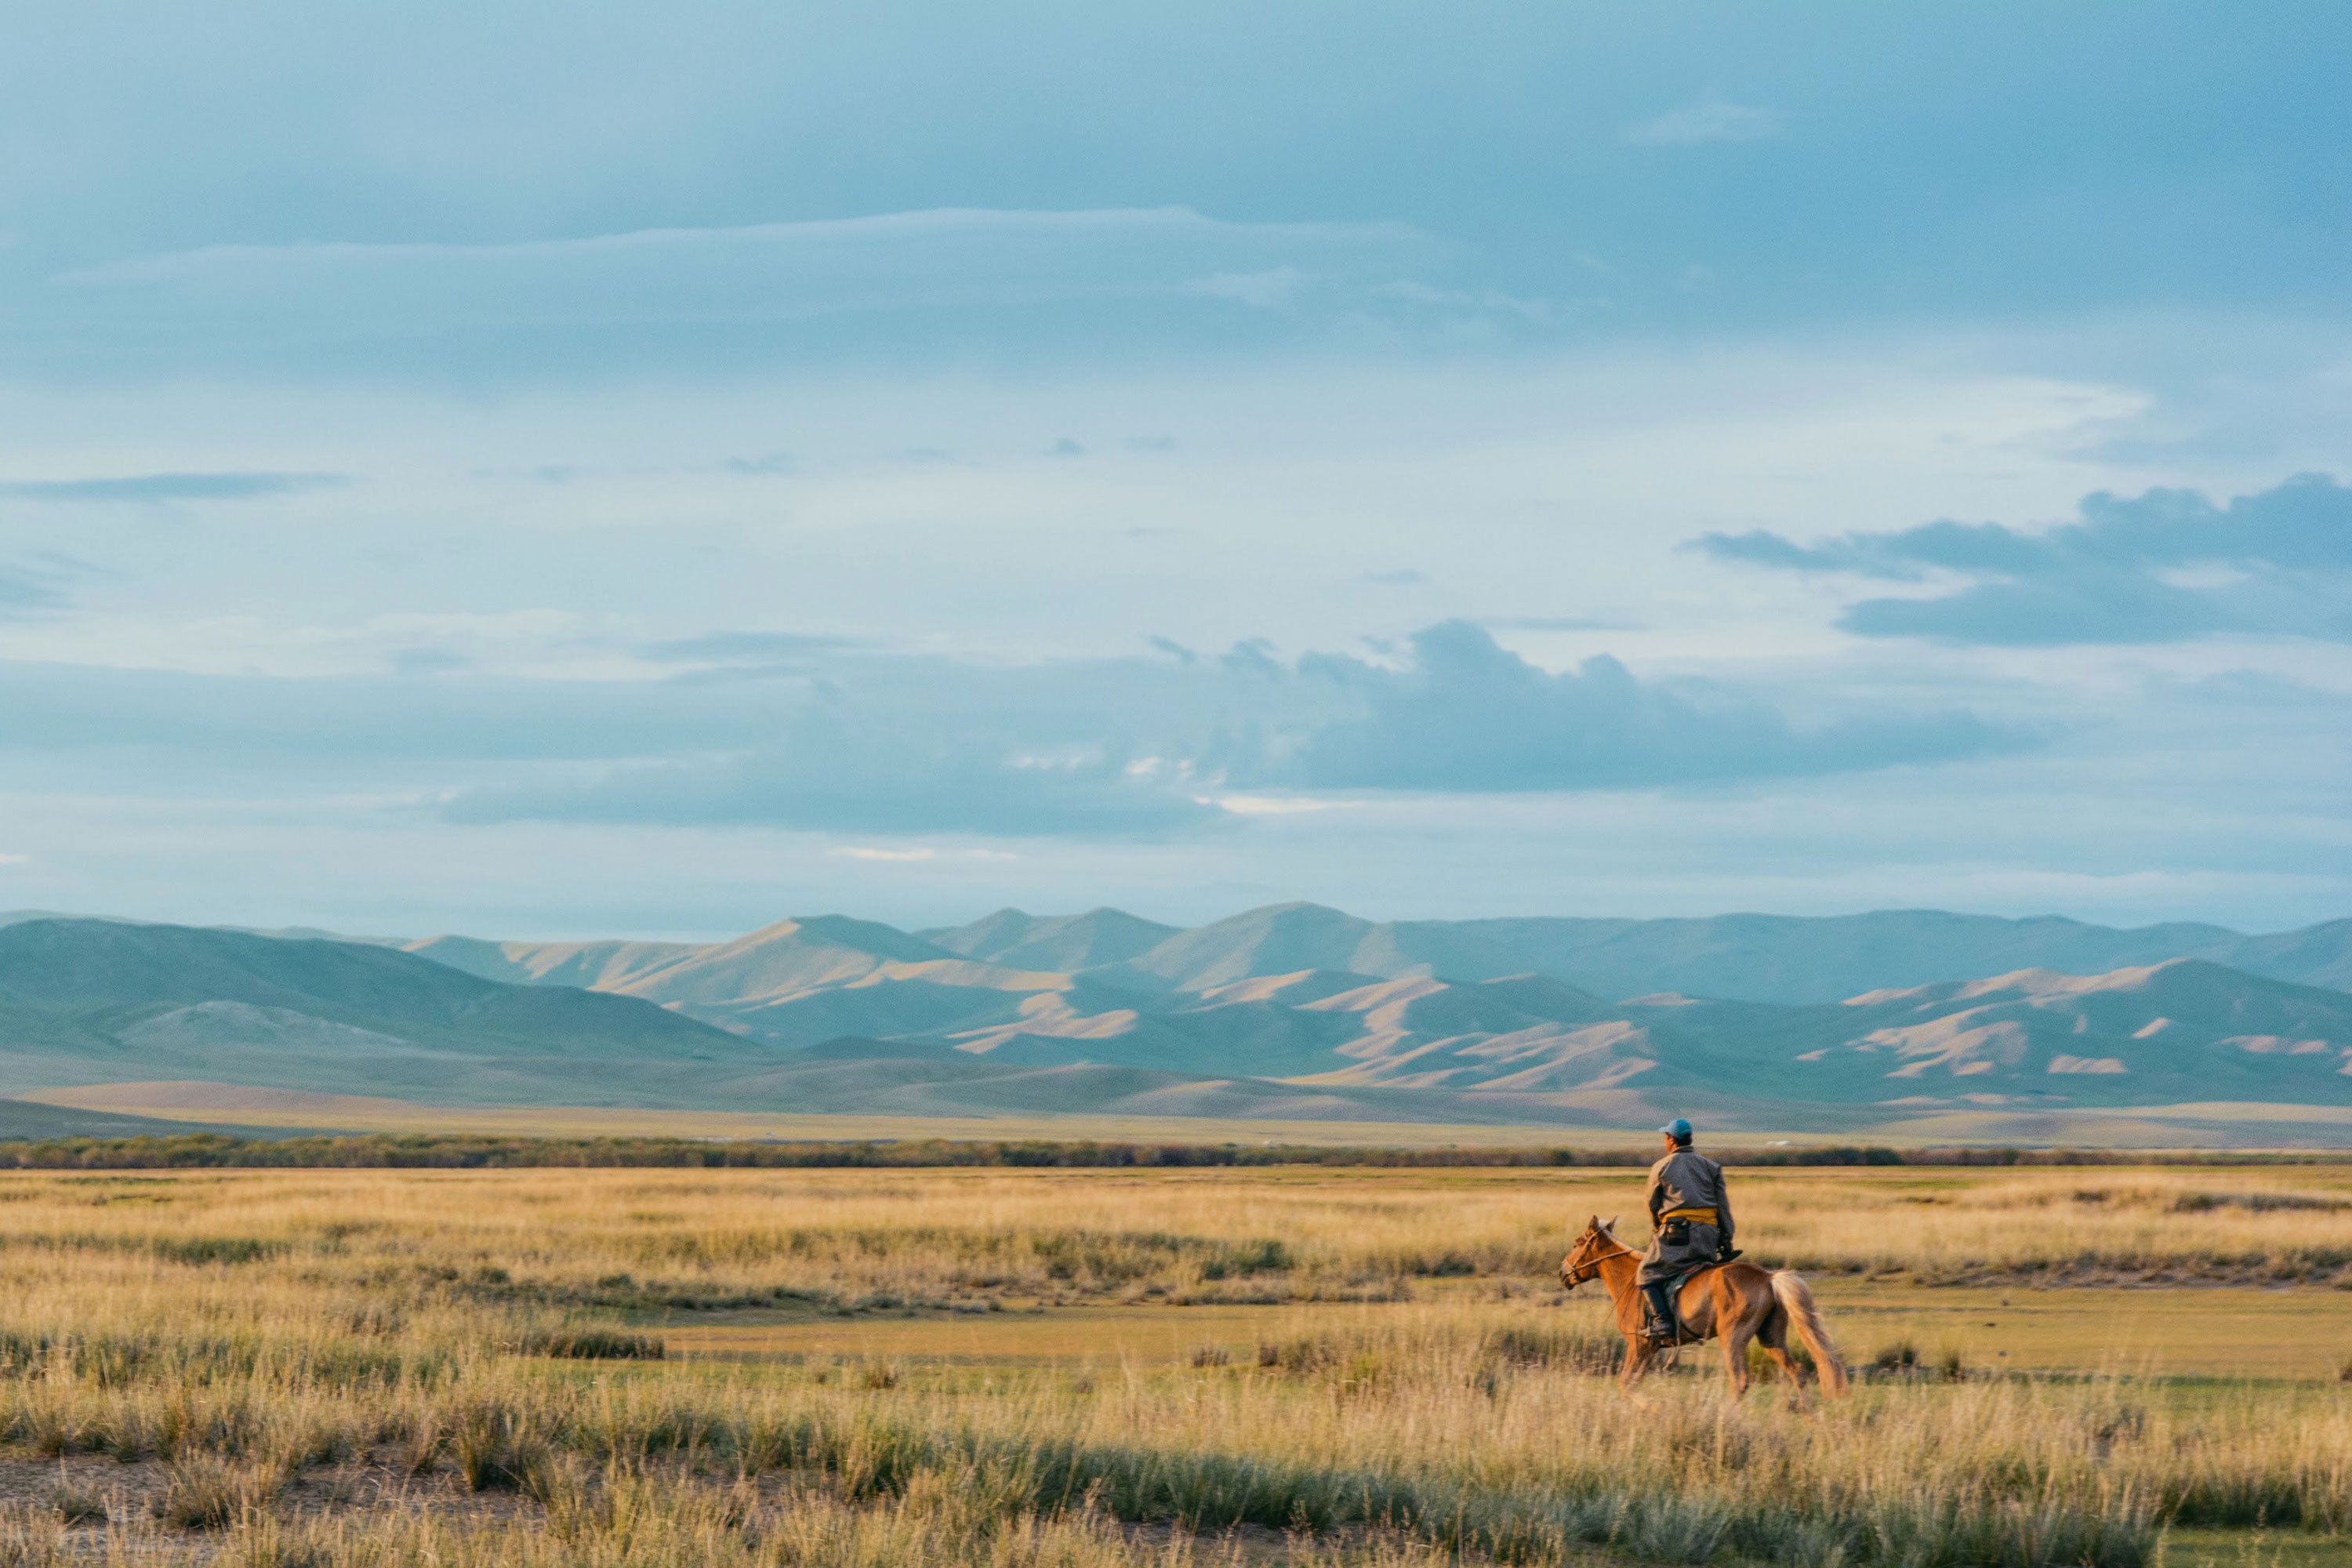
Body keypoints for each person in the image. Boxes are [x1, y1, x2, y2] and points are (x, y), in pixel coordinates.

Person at [1638, 1116, 1735, 1345]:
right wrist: (1726, 1236)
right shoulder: (1711, 1167)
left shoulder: (1662, 1166)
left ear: (1671, 1140)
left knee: (1646, 1272)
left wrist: (1657, 1229)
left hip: (1677, 1236)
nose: (1665, 1141)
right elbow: (1723, 1206)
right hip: (1708, 1238)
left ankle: (1661, 1320)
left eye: (1665, 1137)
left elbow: (1652, 1204)